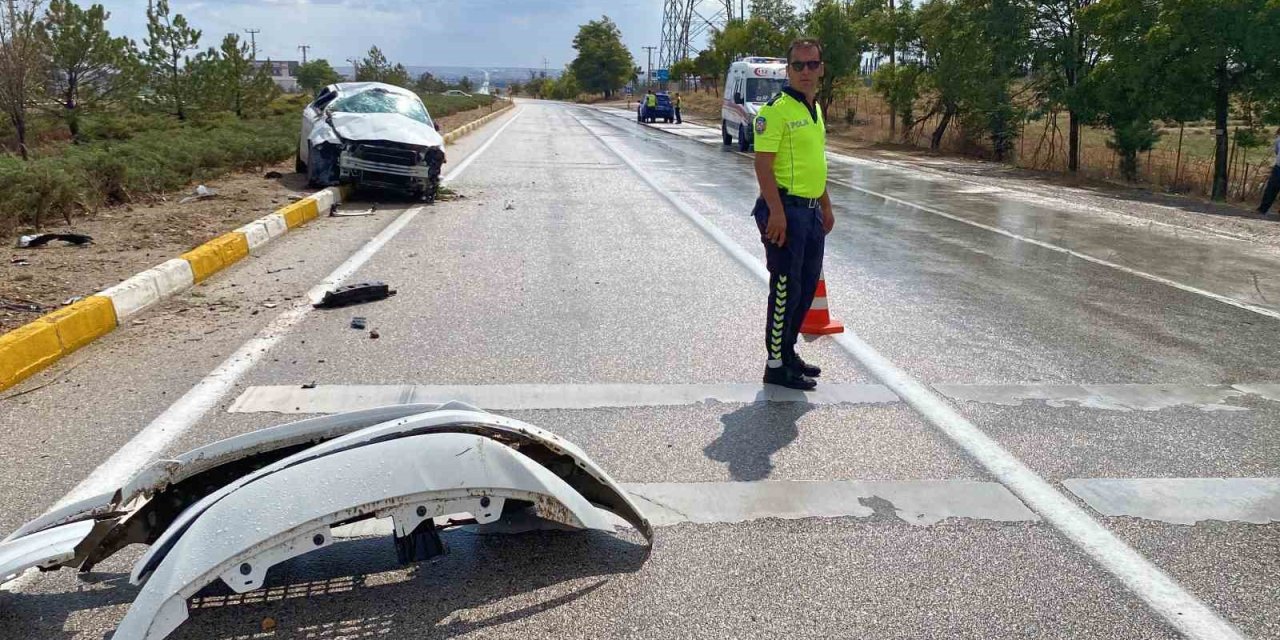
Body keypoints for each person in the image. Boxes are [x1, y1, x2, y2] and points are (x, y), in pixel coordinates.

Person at [751, 38, 833, 391]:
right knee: (785, 289)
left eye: (811, 64)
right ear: (788, 70)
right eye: (798, 66)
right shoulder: (776, 110)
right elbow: (763, 166)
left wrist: (826, 206)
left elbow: (817, 163)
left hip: (811, 212)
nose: (805, 71)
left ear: (821, 68)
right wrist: (777, 214)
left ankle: (788, 352)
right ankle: (775, 365)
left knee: (804, 288)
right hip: (786, 212)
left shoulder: (814, 110)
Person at [1257, 126, 1280, 218]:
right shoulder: (1279, 139)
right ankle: (1263, 208)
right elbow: (1277, 151)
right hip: (1279, 167)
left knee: (1272, 188)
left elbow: (1277, 151)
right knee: (1272, 188)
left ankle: (1263, 208)